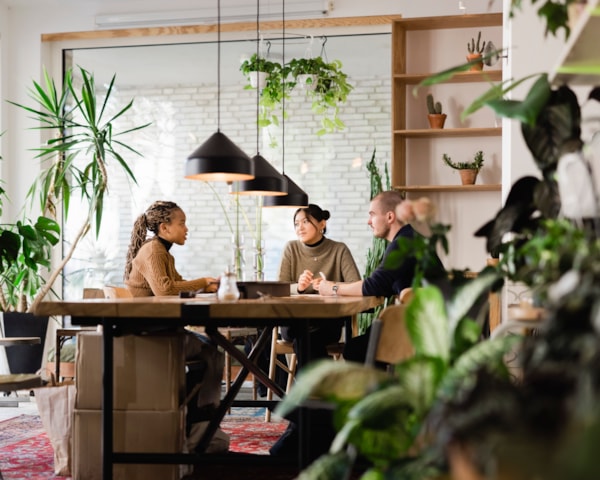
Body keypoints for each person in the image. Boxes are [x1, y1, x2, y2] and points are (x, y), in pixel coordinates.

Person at [123, 200, 227, 452]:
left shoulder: (162, 251)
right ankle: (200, 426)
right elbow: (165, 289)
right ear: (164, 227)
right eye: (182, 223)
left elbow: (177, 284)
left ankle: (199, 422)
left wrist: (205, 286)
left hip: (159, 328)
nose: (186, 228)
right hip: (150, 333)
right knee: (213, 351)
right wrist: (201, 281)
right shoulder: (154, 251)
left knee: (212, 349)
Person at [316, 191, 444, 362]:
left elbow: (374, 285)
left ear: (390, 217)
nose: (369, 221)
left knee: (354, 349)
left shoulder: (403, 244)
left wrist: (332, 288)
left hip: (424, 332)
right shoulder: (409, 239)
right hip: (430, 327)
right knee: (361, 343)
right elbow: (381, 283)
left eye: (372, 215)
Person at [278, 203, 362, 364]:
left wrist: (330, 286)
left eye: (305, 222)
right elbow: (280, 287)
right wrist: (299, 288)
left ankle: (308, 386)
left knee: (306, 339)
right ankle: (320, 385)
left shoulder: (339, 250)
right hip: (294, 320)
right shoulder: (291, 248)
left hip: (326, 322)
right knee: (305, 336)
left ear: (322, 224)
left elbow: (355, 284)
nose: (299, 228)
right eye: (296, 224)